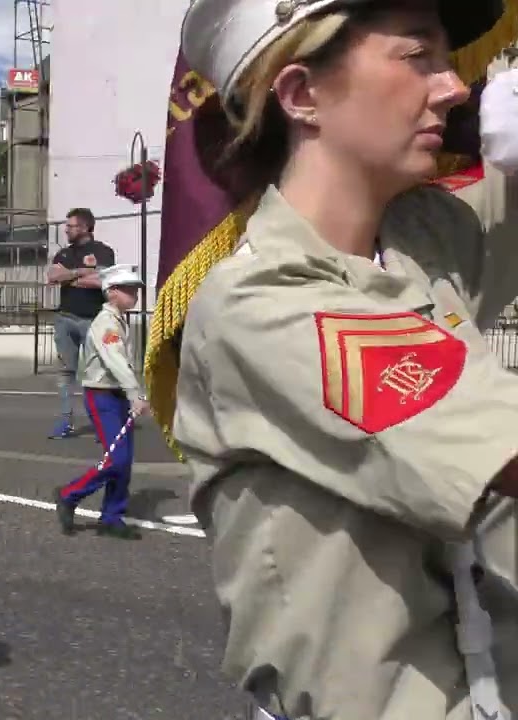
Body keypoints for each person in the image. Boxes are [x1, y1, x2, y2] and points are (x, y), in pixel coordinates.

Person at [171, 0, 518, 717]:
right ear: (302, 95)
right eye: (417, 55)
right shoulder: (261, 300)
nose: (454, 88)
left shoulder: (420, 234)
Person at [53, 264, 149, 539]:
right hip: (102, 395)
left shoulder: (118, 319)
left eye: (136, 290)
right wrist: (135, 394)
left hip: (115, 394)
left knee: (124, 461)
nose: (135, 295)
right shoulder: (106, 322)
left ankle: (111, 517)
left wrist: (132, 392)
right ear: (112, 292)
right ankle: (69, 494)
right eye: (130, 290)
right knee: (116, 460)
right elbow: (115, 360)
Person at [45, 208, 116, 440]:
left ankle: (100, 425)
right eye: (66, 226)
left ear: (85, 227)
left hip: (91, 321)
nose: (66, 229)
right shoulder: (63, 253)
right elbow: (53, 276)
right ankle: (66, 422)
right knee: (66, 373)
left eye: (71, 226)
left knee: (95, 374)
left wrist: (70, 277)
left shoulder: (103, 251)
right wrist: (83, 272)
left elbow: (102, 281)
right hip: (65, 319)